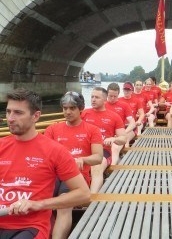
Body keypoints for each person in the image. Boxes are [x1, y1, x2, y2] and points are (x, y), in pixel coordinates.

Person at [0, 88, 90, 239]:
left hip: (29, 227)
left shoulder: (56, 151)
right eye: (8, 112)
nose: (10, 118)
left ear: (36, 116)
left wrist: (38, 204)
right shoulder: (1, 145)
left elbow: (84, 194)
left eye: (18, 113)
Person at [44, 91, 103, 239]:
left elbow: (98, 157)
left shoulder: (92, 130)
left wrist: (82, 160)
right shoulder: (52, 129)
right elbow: (44, 156)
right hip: (54, 175)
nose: (67, 112)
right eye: (65, 108)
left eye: (72, 108)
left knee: (64, 204)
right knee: (40, 199)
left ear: (81, 108)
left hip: (77, 176)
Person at [81, 87, 127, 192]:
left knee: (96, 166)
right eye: (92, 97)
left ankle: (92, 198)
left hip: (103, 151)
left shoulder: (114, 117)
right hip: (84, 149)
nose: (93, 99)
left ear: (105, 99)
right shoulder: (84, 113)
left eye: (97, 97)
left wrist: (113, 139)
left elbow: (123, 138)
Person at [105, 82, 136, 150]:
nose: (113, 98)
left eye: (115, 96)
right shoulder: (102, 105)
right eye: (110, 96)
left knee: (115, 147)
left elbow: (132, 123)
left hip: (121, 132)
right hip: (107, 133)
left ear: (118, 94)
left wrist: (123, 133)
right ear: (107, 94)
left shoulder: (124, 105)